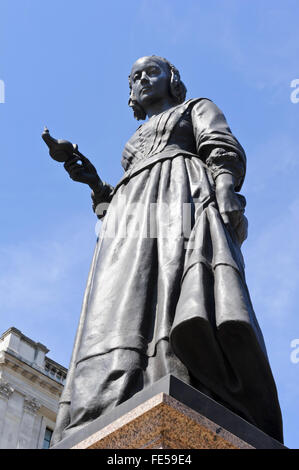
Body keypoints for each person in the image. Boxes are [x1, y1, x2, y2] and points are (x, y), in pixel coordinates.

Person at [47, 55, 283, 445]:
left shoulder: (196, 108)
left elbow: (220, 147)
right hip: (128, 218)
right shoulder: (132, 143)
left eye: (150, 71)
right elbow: (112, 204)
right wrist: (94, 184)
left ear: (172, 79)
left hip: (180, 196)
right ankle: (118, 387)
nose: (141, 79)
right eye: (134, 77)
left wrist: (224, 185)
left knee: (171, 285)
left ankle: (174, 371)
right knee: (122, 304)